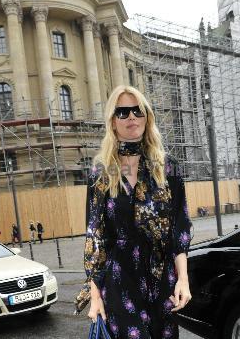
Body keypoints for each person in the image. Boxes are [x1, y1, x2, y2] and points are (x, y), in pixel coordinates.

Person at [75, 85, 192, 338]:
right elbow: (96, 237)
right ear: (112, 121)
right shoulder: (102, 172)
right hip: (120, 279)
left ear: (147, 116)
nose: (131, 117)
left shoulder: (168, 167)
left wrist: (183, 279)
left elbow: (179, 228)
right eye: (123, 112)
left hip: (162, 280)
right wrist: (95, 295)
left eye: (137, 111)